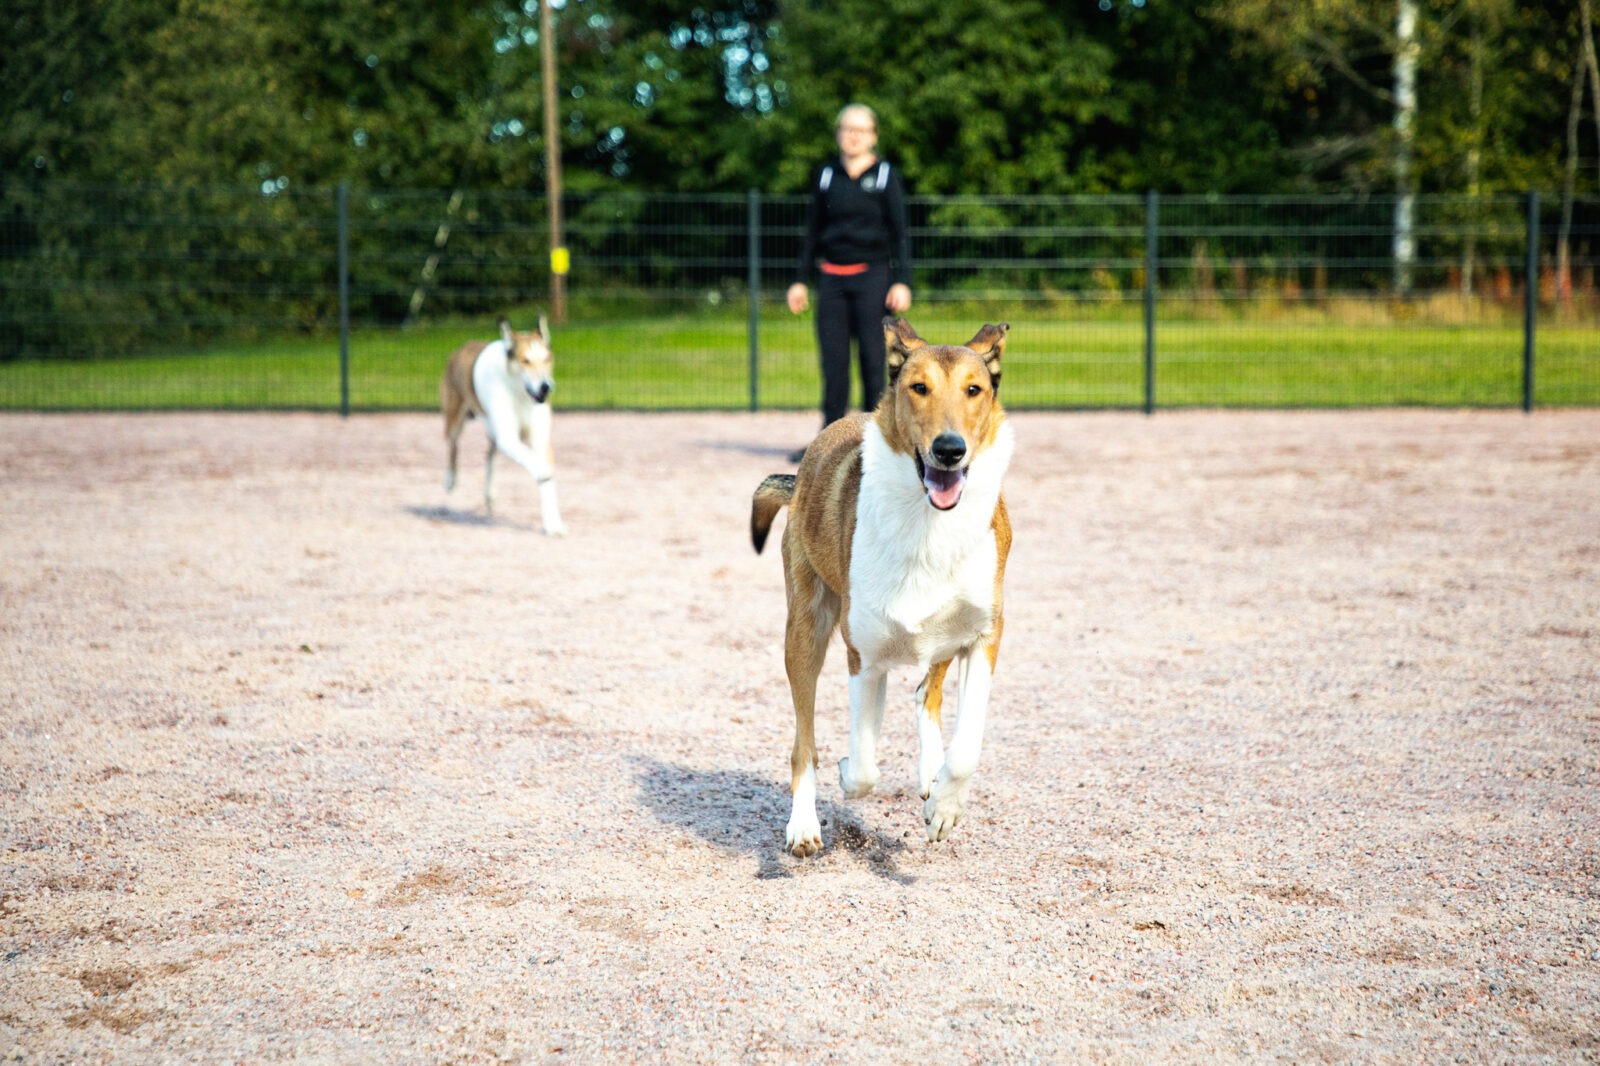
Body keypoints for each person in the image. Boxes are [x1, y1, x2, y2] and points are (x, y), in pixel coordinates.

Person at [786, 103, 912, 462]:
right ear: (839, 133)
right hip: (832, 281)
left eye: (861, 129)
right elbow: (811, 232)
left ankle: (876, 441)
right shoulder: (827, 176)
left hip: (873, 278)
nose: (853, 135)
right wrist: (799, 281)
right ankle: (828, 443)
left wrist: (902, 281)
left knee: (874, 361)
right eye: (847, 128)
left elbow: (900, 233)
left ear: (873, 136)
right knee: (834, 362)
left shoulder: (886, 175)